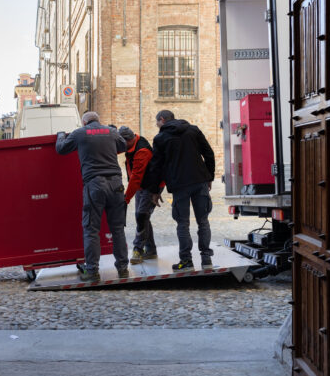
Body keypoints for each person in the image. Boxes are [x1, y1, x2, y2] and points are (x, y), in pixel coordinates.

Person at [56, 111, 130, 282]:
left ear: (84, 122)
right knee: (118, 229)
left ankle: (92, 271)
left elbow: (61, 149)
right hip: (116, 184)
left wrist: (60, 135)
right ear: (98, 120)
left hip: (95, 185)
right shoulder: (110, 132)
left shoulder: (79, 134)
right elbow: (123, 146)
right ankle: (123, 269)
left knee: (91, 230)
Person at [142, 110, 216, 272]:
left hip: (179, 185)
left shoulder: (160, 138)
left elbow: (156, 166)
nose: (157, 126)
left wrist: (155, 191)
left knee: (183, 223)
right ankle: (206, 259)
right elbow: (209, 153)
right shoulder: (193, 130)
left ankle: (186, 261)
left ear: (162, 119)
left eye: (157, 122)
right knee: (203, 221)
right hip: (199, 181)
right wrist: (209, 176)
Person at [117, 125, 158, 264]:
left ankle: (138, 250)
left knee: (141, 215)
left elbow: (136, 177)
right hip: (142, 185)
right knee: (143, 215)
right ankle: (151, 250)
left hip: (150, 185)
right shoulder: (132, 144)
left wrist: (126, 198)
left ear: (127, 141)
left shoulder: (142, 151)